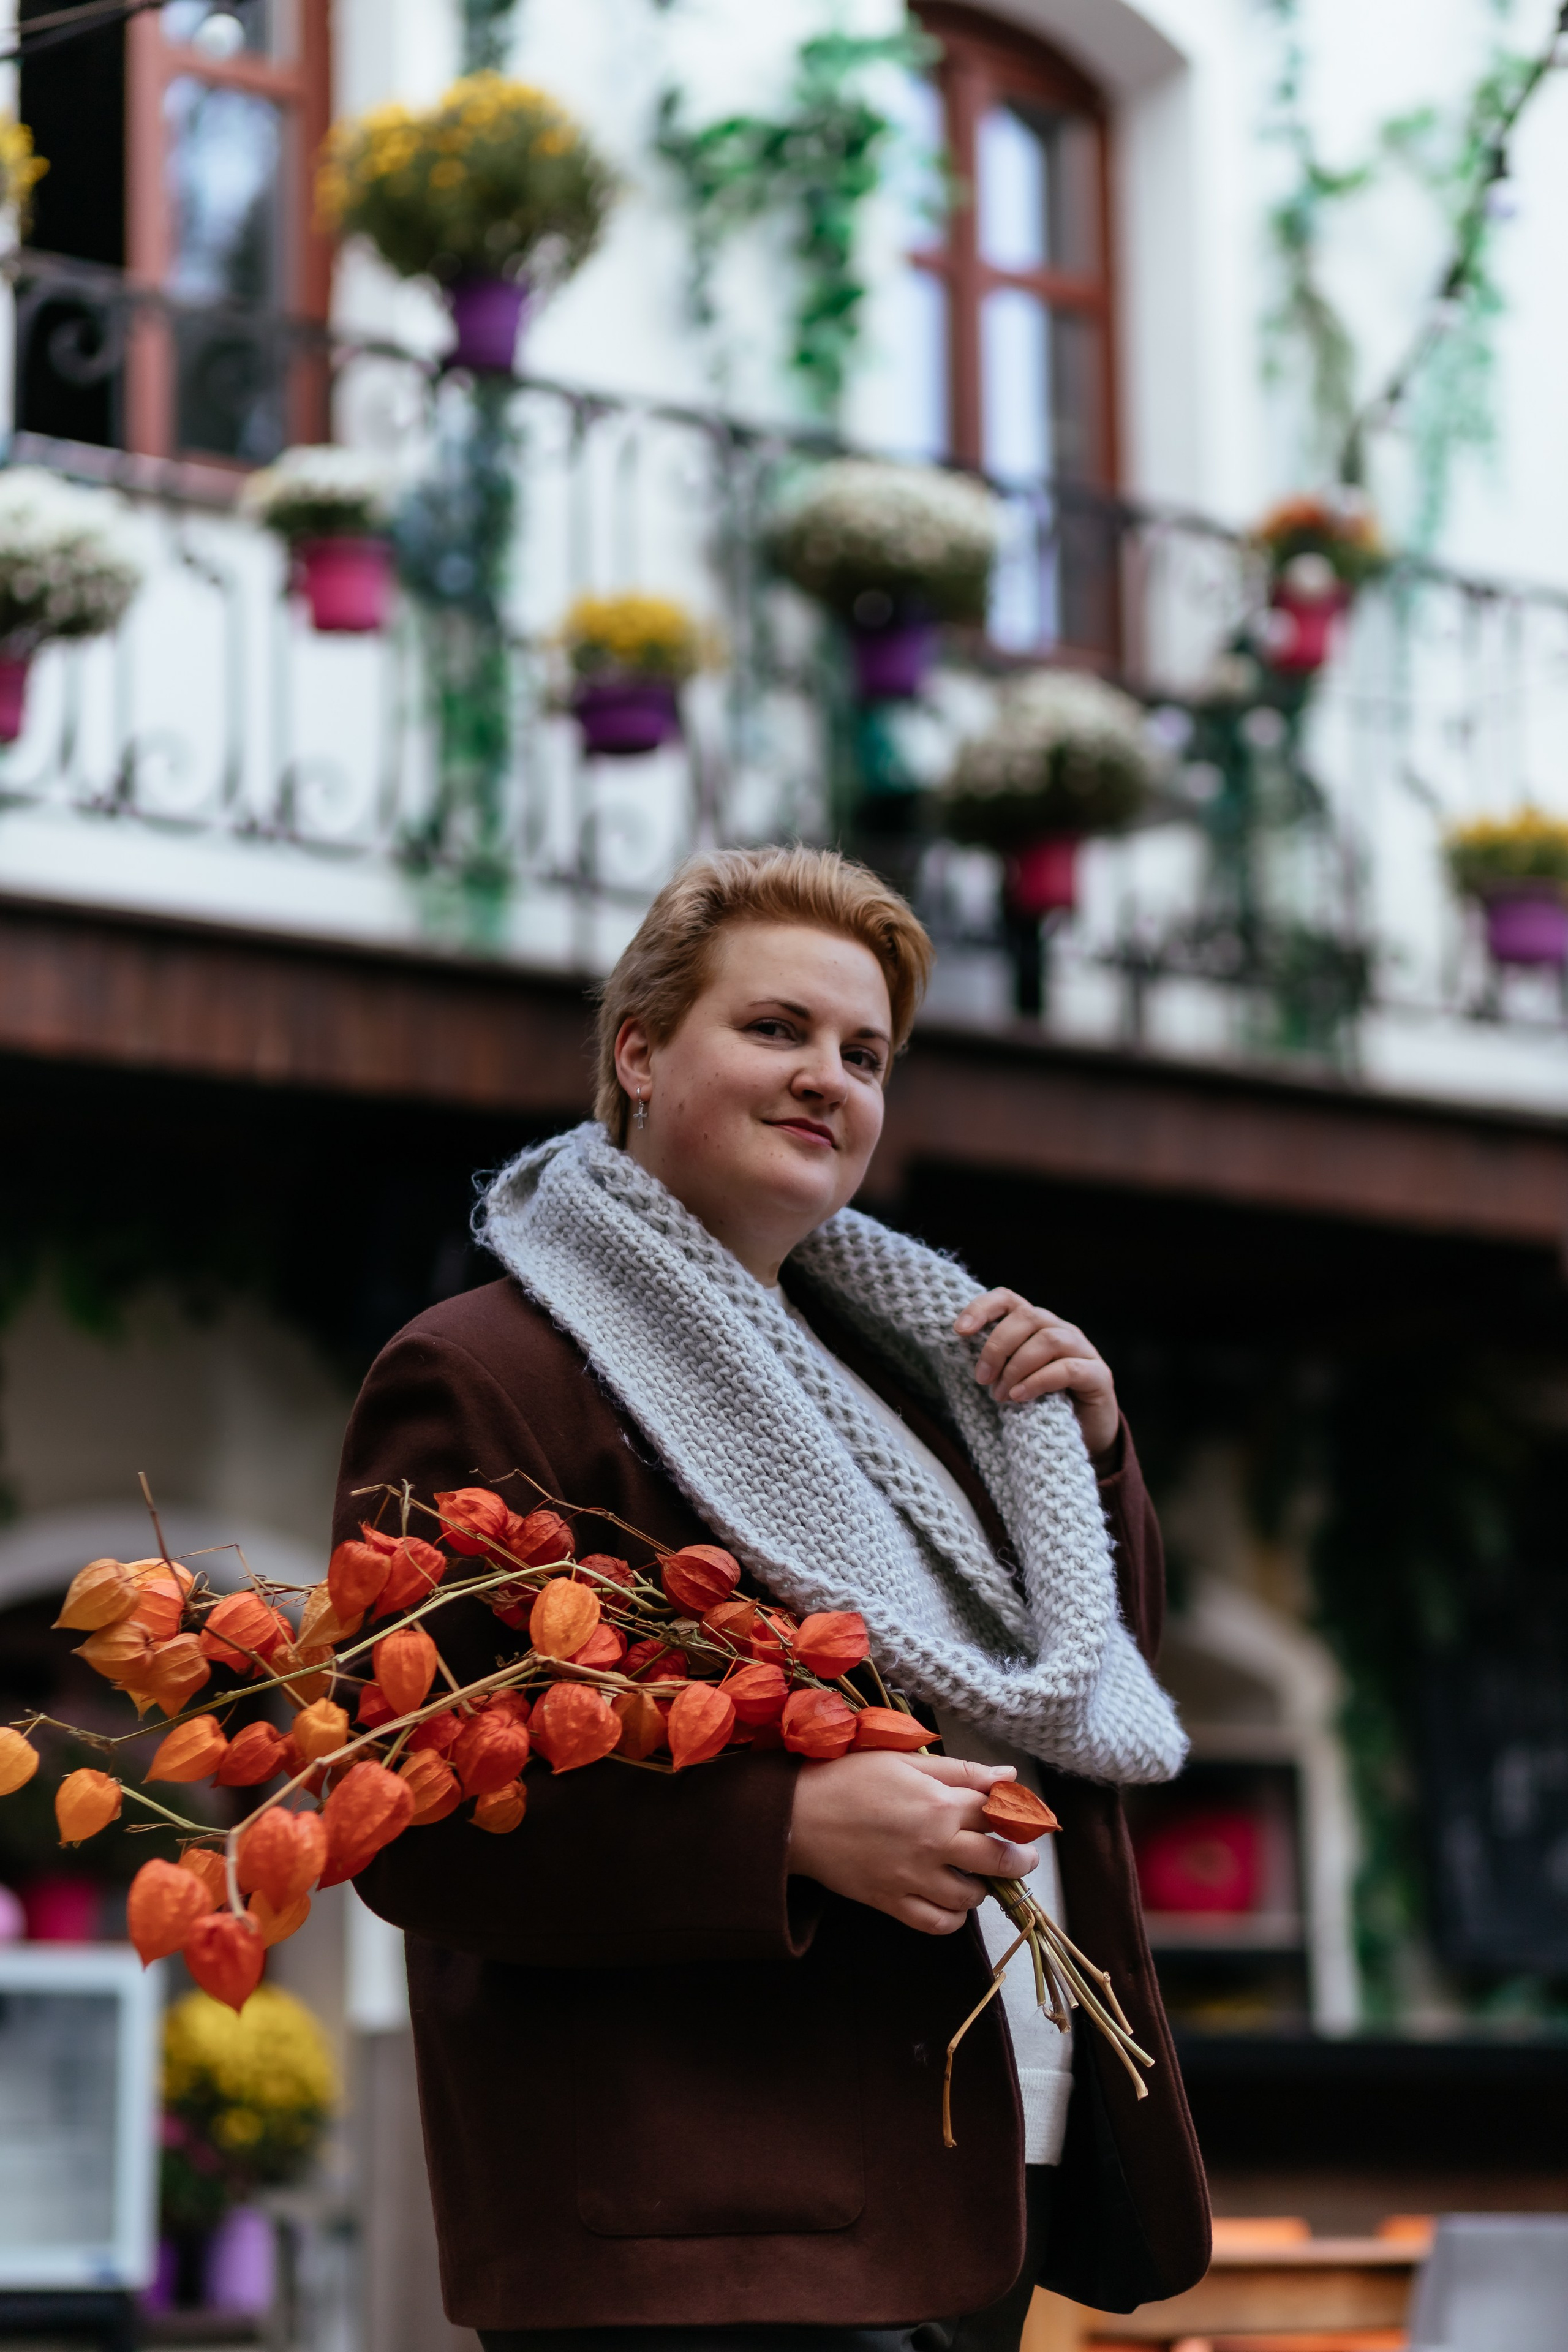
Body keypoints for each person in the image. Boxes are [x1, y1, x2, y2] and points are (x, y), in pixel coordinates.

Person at [342, 846, 1210, 2352]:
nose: (828, 1079)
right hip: (699, 2235)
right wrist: (786, 1834)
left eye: (863, 1054)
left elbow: (1087, 1692)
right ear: (637, 1051)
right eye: (775, 1031)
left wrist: (1086, 1458)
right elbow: (407, 1817)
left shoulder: (926, 1375)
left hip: (972, 2179)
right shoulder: (487, 1373)